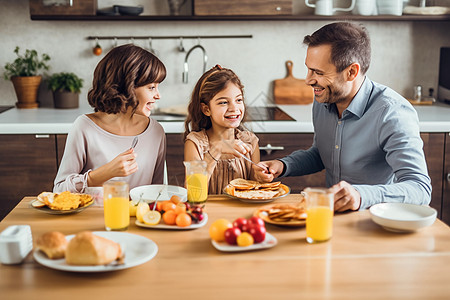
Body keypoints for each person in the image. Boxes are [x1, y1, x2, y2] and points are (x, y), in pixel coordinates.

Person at [254, 22, 432, 211]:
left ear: (351, 72)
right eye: (308, 69)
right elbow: (323, 154)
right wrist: (283, 165)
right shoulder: (324, 99)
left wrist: (361, 196)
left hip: (377, 220)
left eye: (318, 72)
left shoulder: (392, 113)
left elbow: (420, 188)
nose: (308, 80)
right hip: (333, 216)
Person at [54, 44, 167, 198]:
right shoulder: (84, 127)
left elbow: (158, 192)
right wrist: (104, 173)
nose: (158, 95)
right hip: (92, 219)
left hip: (140, 220)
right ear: (127, 87)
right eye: (152, 87)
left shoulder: (156, 131)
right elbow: (59, 191)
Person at [184, 65, 260, 194]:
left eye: (239, 100)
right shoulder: (195, 143)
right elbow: (193, 192)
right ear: (206, 109)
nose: (234, 108)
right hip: (208, 213)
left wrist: (263, 177)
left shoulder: (250, 141)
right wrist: (216, 150)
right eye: (223, 102)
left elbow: (255, 190)